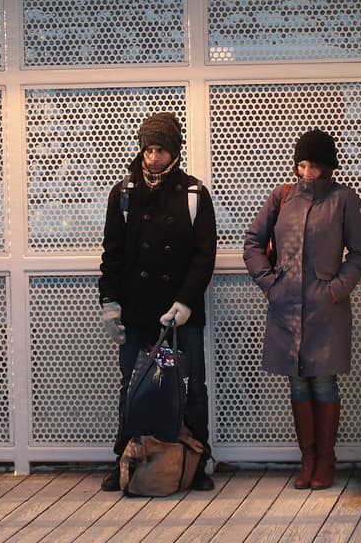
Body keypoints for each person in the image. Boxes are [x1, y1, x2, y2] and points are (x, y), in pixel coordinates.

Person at [242, 129, 361, 490]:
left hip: (325, 308)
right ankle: (307, 459)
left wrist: (335, 290)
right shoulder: (282, 196)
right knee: (297, 382)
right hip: (286, 307)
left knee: (324, 381)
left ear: (327, 167)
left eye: (312, 165)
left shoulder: (344, 199)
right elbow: (252, 242)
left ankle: (326, 460)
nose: (305, 172)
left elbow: (359, 252)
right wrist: (270, 283)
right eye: (301, 164)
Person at [98, 111, 218, 492]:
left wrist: (184, 302)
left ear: (174, 152)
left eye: (161, 150)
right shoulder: (124, 193)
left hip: (182, 314)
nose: (153, 157)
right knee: (133, 387)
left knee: (190, 387)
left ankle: (197, 462)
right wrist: (109, 302)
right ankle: (125, 461)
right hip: (137, 311)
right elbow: (112, 253)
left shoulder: (195, 193)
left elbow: (205, 254)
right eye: (148, 149)